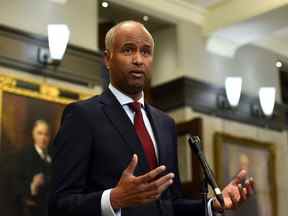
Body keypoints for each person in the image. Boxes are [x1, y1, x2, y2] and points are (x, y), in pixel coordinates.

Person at [49, 20, 255, 216]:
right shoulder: (83, 115)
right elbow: (59, 205)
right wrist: (113, 199)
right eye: (128, 50)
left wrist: (212, 206)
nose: (138, 59)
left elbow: (168, 205)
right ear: (107, 58)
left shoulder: (165, 123)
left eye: (145, 52)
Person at [16, 120, 52, 216]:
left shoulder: (53, 155)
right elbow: (17, 185)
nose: (43, 138)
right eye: (39, 133)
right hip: (34, 208)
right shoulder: (25, 156)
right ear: (33, 135)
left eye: (46, 134)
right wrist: (33, 186)